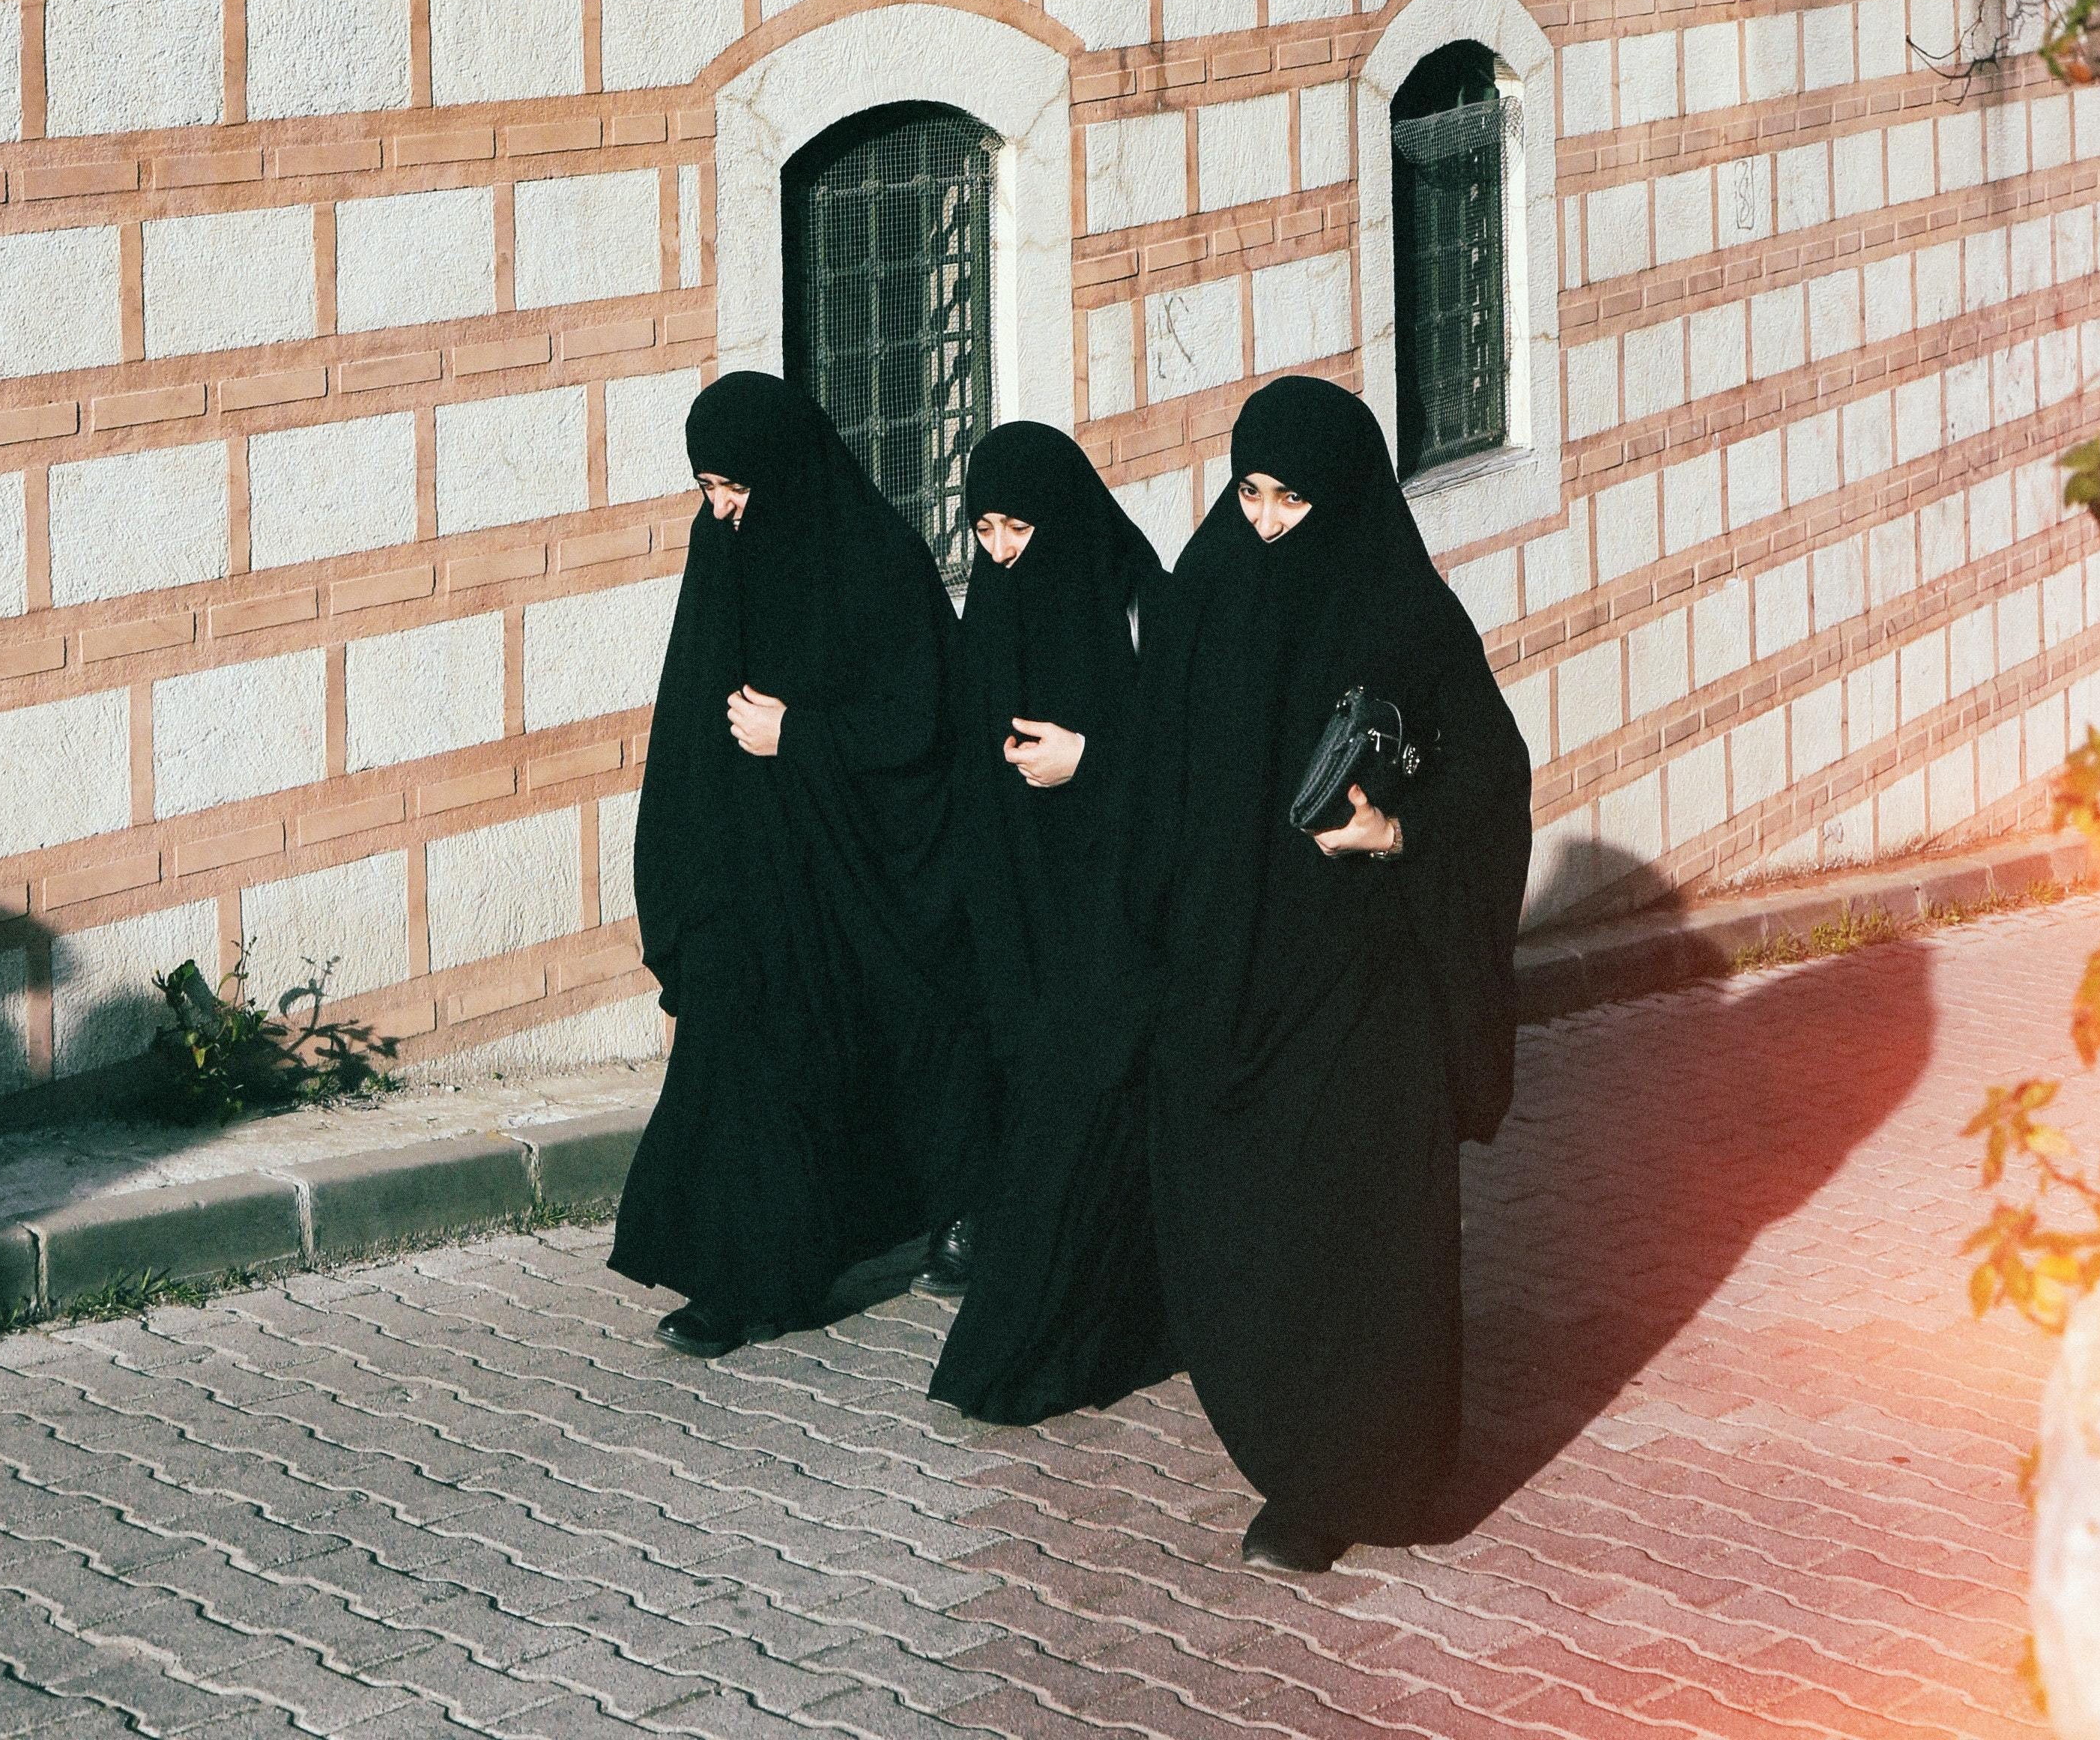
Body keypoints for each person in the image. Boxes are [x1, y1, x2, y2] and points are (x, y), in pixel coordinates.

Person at [1134, 376, 1531, 1575]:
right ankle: (1281, 1438)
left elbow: (1492, 779)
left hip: (1361, 971)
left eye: (1291, 502)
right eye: (1250, 494)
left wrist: (1396, 833)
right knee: (1243, 1216)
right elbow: (1157, 769)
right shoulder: (1209, 588)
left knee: (1353, 1231)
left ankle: (1345, 1479)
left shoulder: (1401, 611)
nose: (1264, 523)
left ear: (1343, 499)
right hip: (1230, 968)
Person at [609, 369, 989, 1356]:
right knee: (737, 1055)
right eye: (707, 489)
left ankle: (957, 1212)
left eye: (736, 487)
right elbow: (691, 704)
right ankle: (734, 1284)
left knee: (879, 1049)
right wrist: (680, 869)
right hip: (746, 865)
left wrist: (803, 735)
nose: (723, 510)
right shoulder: (721, 547)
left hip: (853, 863)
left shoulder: (875, 556)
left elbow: (922, 719)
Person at [928, 419, 1172, 1421]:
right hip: (1013, 893)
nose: (999, 551)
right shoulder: (993, 603)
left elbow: (1180, 750)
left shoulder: (1135, 595)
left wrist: (1089, 758)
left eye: (1018, 529)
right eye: (983, 529)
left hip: (1107, 897)